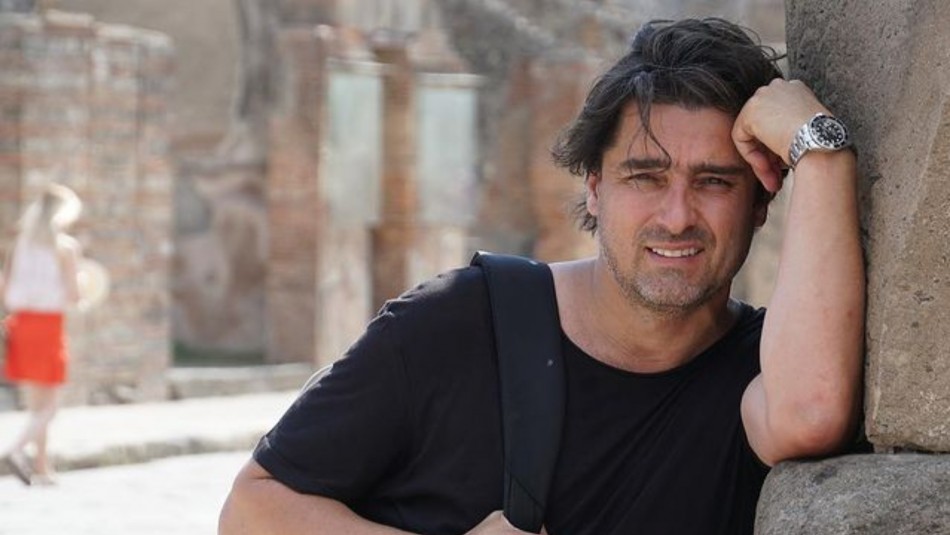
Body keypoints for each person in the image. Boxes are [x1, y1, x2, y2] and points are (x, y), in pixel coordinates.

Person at [219, 18, 864, 535]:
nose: (676, 217)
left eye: (714, 182)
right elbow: (252, 509)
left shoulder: (762, 370)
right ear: (594, 189)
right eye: (645, 177)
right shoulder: (458, 321)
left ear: (761, 203)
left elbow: (809, 414)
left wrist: (823, 154)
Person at [1, 183, 83, 486]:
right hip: (48, 324)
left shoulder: (20, 246)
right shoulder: (65, 247)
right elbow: (74, 294)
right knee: (51, 405)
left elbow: (4, 288)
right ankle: (15, 450)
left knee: (38, 404)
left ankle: (41, 467)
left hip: (20, 323)